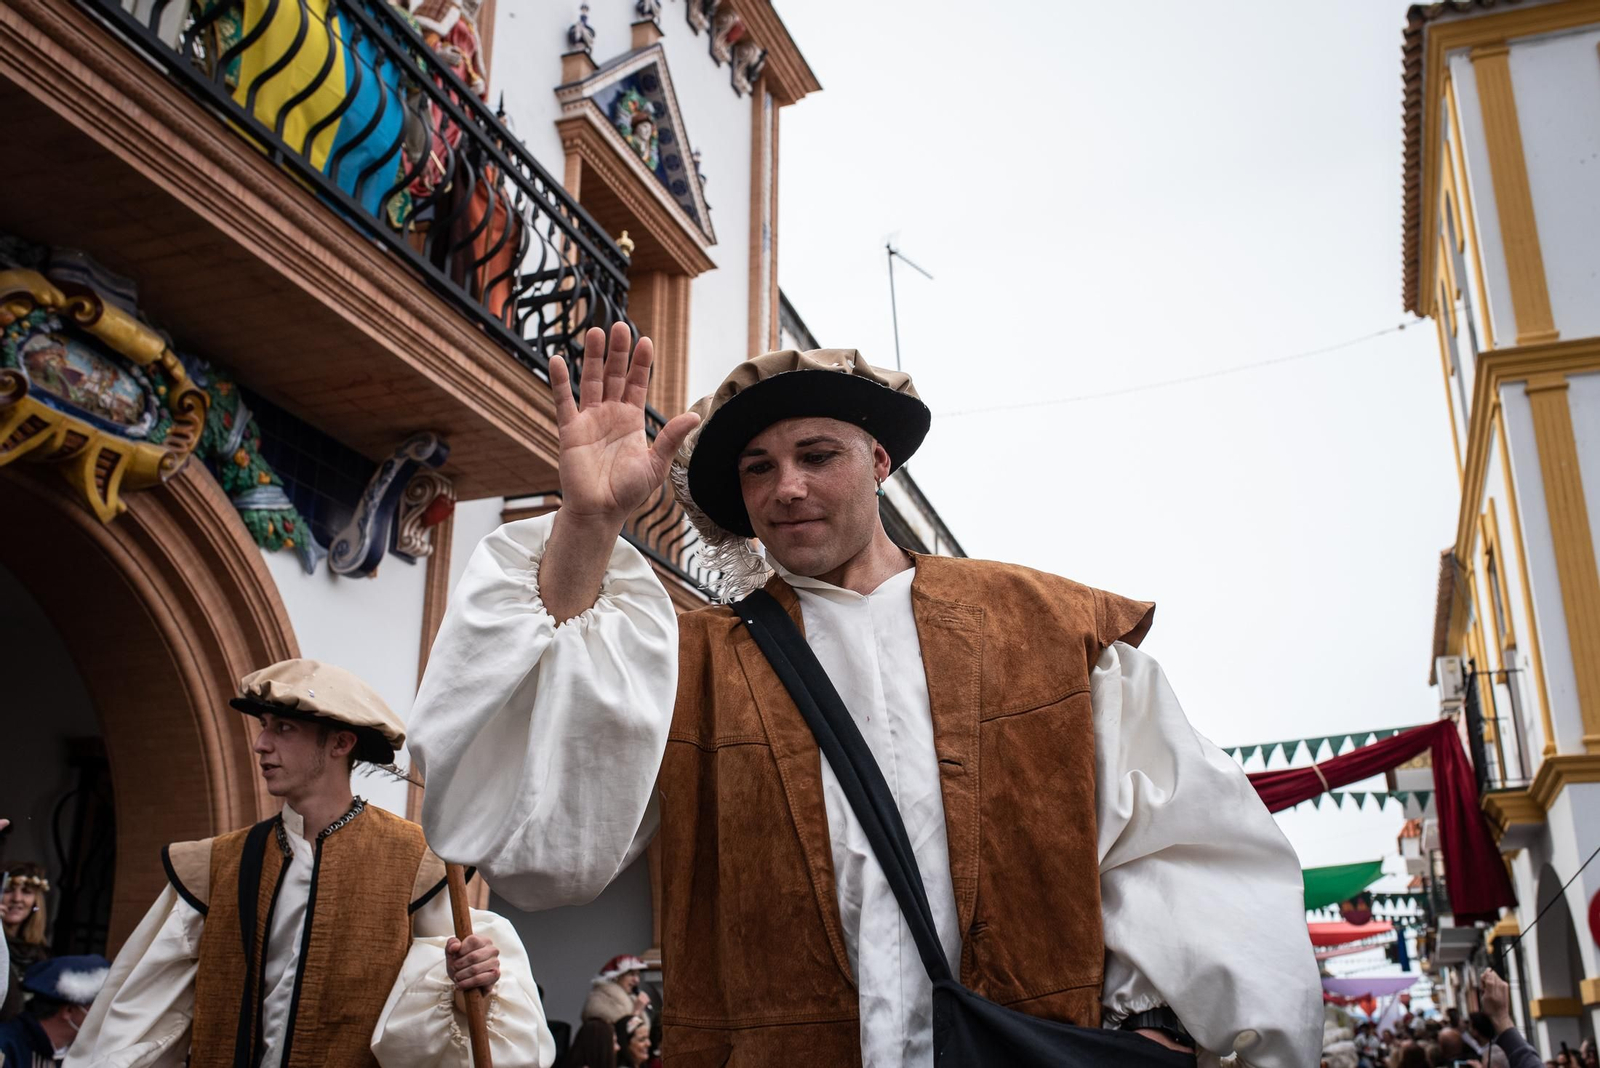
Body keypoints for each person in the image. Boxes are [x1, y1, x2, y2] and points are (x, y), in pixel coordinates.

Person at [409, 325, 1324, 1067]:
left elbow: (1176, 841)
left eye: (816, 454)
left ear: (881, 462)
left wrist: (1156, 1021)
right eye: (757, 469)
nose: (786, 487)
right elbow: (537, 844)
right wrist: (589, 525)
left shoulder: (1043, 625)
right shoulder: (687, 666)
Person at [64, 658, 555, 1068]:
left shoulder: (418, 863)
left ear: (340, 743)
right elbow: (138, 1023)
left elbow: (454, 1010)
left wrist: (475, 977)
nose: (261, 743)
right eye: (263, 727)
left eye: (284, 728)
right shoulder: (215, 865)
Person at [0, 955, 109, 1065]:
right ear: (69, 1010)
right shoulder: (6, 1045)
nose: (105, 1013)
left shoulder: (78, 1051)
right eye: (99, 1006)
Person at [2, 860, 53, 1021]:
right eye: (8, 890)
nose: (17, 899)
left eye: (26, 892)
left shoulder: (40, 954)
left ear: (35, 903)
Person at [582, 955, 650, 1025]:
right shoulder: (600, 1000)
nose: (637, 980)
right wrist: (637, 1011)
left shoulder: (632, 999)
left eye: (638, 975)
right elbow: (623, 1032)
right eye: (631, 974)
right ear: (616, 976)